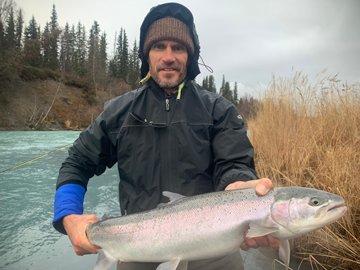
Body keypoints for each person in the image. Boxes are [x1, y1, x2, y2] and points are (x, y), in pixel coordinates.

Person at [53, 2, 279, 270]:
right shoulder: (118, 112)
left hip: (214, 250)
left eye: (178, 47)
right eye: (159, 46)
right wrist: (68, 215)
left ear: (190, 56)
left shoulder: (220, 110)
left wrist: (240, 186)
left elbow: (234, 166)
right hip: (136, 251)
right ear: (147, 54)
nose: (168, 56)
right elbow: (77, 163)